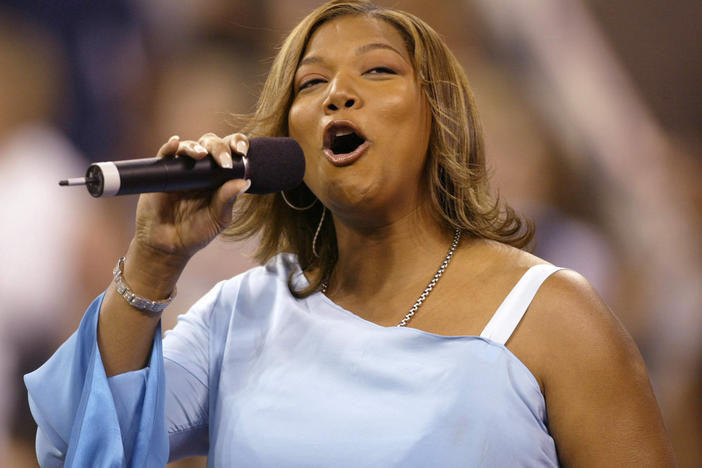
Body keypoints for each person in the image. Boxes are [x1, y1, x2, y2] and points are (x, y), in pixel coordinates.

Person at [25, 0, 675, 466]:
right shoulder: (241, 314)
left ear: (439, 118)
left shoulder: (556, 315)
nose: (339, 93)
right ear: (289, 144)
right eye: (312, 83)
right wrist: (152, 261)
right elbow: (75, 442)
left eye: (379, 71)